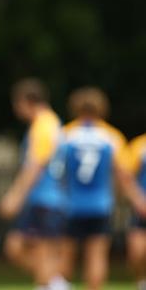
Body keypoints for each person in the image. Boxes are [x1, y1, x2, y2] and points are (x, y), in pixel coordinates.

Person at [57, 87, 139, 290]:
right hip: (100, 205)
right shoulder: (111, 136)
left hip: (71, 204)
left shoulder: (66, 135)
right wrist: (133, 200)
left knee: (66, 256)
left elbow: (58, 172)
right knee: (97, 256)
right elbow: (124, 174)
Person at [0, 78, 68, 290]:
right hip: (44, 199)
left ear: (25, 101)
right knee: (16, 248)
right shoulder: (51, 123)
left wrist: (15, 197)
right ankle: (55, 283)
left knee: (40, 253)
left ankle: (51, 283)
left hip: (45, 199)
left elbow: (35, 165)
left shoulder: (43, 125)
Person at [126, 132, 146, 290]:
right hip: (142, 207)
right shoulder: (140, 145)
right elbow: (126, 176)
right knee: (136, 252)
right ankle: (141, 282)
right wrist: (138, 200)